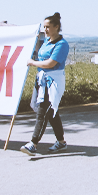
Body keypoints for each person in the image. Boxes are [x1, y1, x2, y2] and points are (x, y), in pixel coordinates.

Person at [21, 12, 70, 155]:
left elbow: (50, 63)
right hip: (43, 81)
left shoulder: (61, 44)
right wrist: (35, 43)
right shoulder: (47, 42)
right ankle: (61, 142)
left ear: (56, 27)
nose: (45, 30)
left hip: (53, 82)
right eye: (44, 27)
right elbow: (40, 53)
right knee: (52, 112)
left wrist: (32, 63)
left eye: (48, 27)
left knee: (43, 111)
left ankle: (33, 143)